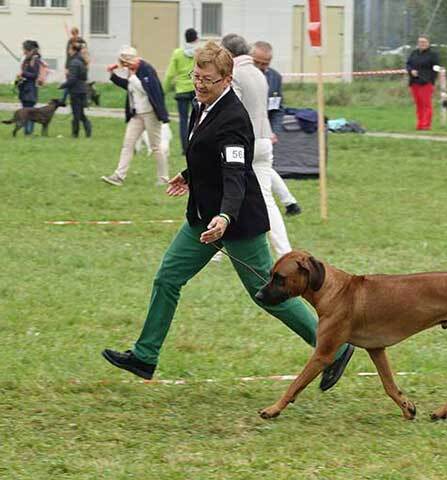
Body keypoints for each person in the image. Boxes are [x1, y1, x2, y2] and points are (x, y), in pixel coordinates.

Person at [101, 41, 354, 392]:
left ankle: (336, 348)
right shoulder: (199, 103)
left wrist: (224, 218)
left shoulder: (234, 119)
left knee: (266, 293)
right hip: (203, 219)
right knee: (168, 278)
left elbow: (235, 175)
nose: (199, 84)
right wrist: (189, 175)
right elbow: (208, 155)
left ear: (227, 78)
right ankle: (145, 356)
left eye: (207, 79)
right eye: (196, 77)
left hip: (236, 222)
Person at [222, 34, 294, 257]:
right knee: (267, 201)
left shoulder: (234, 75)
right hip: (264, 141)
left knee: (223, 192)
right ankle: (285, 252)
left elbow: (233, 110)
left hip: (244, 142)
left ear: (228, 54)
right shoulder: (262, 75)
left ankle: (214, 248)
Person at [101, 46, 170, 186]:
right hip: (136, 114)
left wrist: (132, 77)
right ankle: (118, 176)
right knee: (128, 144)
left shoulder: (146, 69)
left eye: (125, 63)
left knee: (155, 147)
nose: (124, 66)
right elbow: (129, 86)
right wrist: (113, 76)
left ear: (131, 60)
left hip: (150, 113)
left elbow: (148, 90)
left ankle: (163, 178)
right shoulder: (131, 71)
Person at [251, 40, 302, 217]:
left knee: (262, 169)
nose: (261, 67)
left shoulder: (275, 78)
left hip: (265, 134)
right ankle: (290, 202)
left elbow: (278, 108)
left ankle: (288, 204)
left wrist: (273, 131)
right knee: (263, 168)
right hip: (247, 131)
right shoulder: (242, 76)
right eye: (257, 62)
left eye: (265, 63)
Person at [163, 28, 199, 155]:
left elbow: (170, 74)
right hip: (196, 90)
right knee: (196, 119)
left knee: (183, 120)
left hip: (181, 91)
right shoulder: (199, 53)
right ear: (196, 39)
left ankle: (185, 148)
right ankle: (196, 146)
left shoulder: (177, 53)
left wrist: (164, 91)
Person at [405, 35, 440, 131]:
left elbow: (436, 68)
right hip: (414, 82)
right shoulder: (414, 53)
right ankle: (420, 124)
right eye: (420, 42)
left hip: (426, 82)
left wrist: (432, 79)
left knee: (426, 104)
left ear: (428, 43)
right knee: (418, 104)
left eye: (424, 42)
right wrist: (411, 70)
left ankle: (426, 125)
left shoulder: (433, 54)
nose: (422, 44)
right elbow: (408, 64)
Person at [59, 41, 92, 138]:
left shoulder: (73, 63)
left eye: (69, 49)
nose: (68, 51)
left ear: (73, 50)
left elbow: (72, 79)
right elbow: (84, 77)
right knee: (80, 113)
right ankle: (87, 129)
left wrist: (63, 85)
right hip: (82, 89)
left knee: (76, 114)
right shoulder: (82, 61)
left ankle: (75, 133)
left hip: (75, 91)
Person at [16, 40, 42, 136]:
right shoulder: (27, 60)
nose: (23, 51)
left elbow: (35, 75)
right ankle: (26, 132)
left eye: (24, 49)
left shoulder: (35, 60)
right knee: (25, 113)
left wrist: (23, 73)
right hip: (24, 90)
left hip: (30, 91)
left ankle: (29, 133)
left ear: (29, 50)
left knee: (29, 113)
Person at [62, 27, 87, 105]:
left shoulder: (81, 41)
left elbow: (85, 50)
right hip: (71, 64)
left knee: (79, 83)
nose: (73, 35)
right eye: (72, 34)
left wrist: (78, 45)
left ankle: (84, 101)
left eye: (74, 33)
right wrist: (66, 67)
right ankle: (64, 99)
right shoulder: (70, 41)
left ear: (77, 33)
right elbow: (68, 55)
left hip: (81, 64)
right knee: (70, 81)